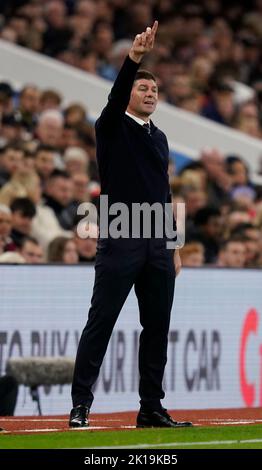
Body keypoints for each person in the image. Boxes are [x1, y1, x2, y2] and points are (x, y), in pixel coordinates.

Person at [69, 22, 192, 429]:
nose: (151, 93)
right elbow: (116, 93)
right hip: (122, 235)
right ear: (127, 97)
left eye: (154, 89)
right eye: (143, 88)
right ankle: (81, 403)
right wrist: (134, 59)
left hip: (158, 240)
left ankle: (151, 407)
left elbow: (165, 190)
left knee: (157, 327)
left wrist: (174, 245)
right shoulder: (112, 126)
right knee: (101, 321)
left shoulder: (159, 137)